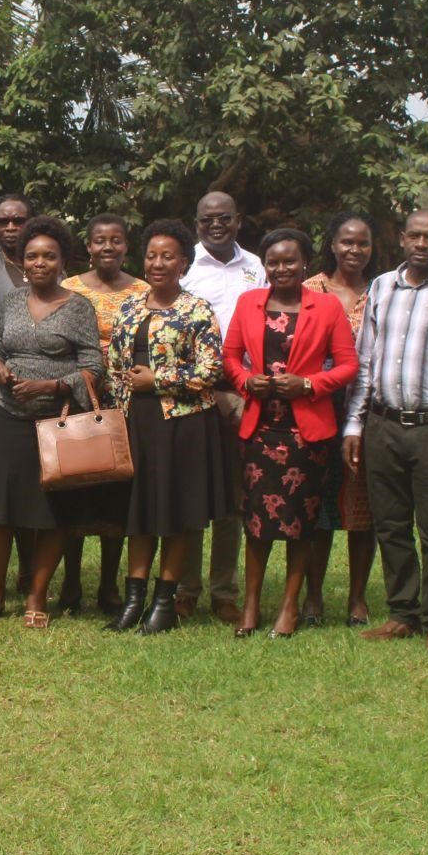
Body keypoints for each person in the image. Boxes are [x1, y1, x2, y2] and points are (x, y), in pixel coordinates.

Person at [342, 207, 428, 651]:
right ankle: (402, 611)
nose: (423, 244)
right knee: (391, 523)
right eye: (416, 236)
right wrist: (353, 424)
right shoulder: (382, 287)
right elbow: (366, 360)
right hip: (382, 423)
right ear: (403, 239)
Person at [0, 216, 111, 625]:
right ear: (23, 262)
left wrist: (50, 386)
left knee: (51, 511)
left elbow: (92, 366)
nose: (39, 263)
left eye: (49, 256)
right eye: (32, 256)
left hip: (55, 423)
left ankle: (36, 597)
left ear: (63, 260)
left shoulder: (79, 307)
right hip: (7, 416)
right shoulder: (12, 301)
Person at [220, 228, 358, 638]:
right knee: (257, 525)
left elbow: (348, 365)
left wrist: (311, 385)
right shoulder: (249, 303)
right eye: (274, 262)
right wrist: (246, 380)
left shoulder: (327, 307)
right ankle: (249, 608)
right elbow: (229, 356)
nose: (282, 268)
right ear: (264, 265)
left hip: (306, 435)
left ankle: (289, 608)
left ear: (304, 264)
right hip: (260, 429)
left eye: (290, 261)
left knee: (302, 524)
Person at [105, 219, 233, 634]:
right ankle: (133, 600)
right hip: (135, 423)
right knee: (140, 513)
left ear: (183, 264)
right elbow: (114, 362)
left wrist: (157, 381)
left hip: (182, 424)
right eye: (152, 256)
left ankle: (164, 604)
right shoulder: (130, 305)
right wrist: (123, 392)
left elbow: (211, 370)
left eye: (168, 257)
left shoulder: (197, 310)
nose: (158, 263)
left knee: (177, 513)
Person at [180, 190, 264, 623]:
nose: (216, 225)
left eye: (225, 218)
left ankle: (224, 591)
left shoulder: (255, 265)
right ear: (196, 223)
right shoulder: (183, 265)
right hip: (192, 390)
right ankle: (185, 588)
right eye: (207, 219)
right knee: (193, 490)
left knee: (234, 493)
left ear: (238, 220)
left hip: (241, 392)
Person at [61, 213, 146, 616]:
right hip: (80, 398)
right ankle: (72, 582)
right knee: (75, 488)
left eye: (115, 240)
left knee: (117, 493)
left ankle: (110, 584)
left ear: (126, 246)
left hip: (127, 403)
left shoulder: (143, 290)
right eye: (99, 240)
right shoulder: (70, 288)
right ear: (89, 246)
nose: (107, 247)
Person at [303, 213, 380, 625]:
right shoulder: (308, 290)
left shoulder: (383, 290)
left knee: (361, 509)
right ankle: (313, 597)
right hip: (315, 410)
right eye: (346, 242)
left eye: (363, 243)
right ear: (332, 244)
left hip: (368, 413)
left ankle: (357, 598)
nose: (354, 250)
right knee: (318, 507)